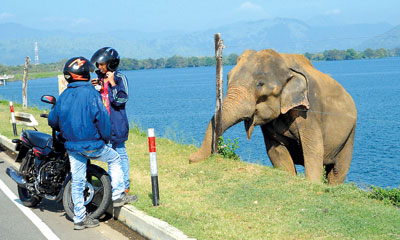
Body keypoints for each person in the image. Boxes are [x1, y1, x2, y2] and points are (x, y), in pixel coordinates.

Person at [48, 56, 136, 230]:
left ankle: (79, 219)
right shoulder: (91, 94)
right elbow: (103, 120)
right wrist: (104, 139)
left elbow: (53, 120)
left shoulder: (65, 94)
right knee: (116, 158)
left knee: (78, 180)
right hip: (92, 145)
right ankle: (118, 194)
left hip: (72, 147)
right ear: (84, 74)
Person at [90, 47, 131, 193]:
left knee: (120, 152)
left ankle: (125, 185)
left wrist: (113, 83)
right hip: (103, 124)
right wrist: (97, 88)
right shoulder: (100, 78)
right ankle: (114, 183)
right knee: (110, 155)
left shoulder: (120, 78)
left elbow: (121, 100)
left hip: (117, 124)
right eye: (98, 64)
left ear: (111, 63)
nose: (99, 67)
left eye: (102, 64)